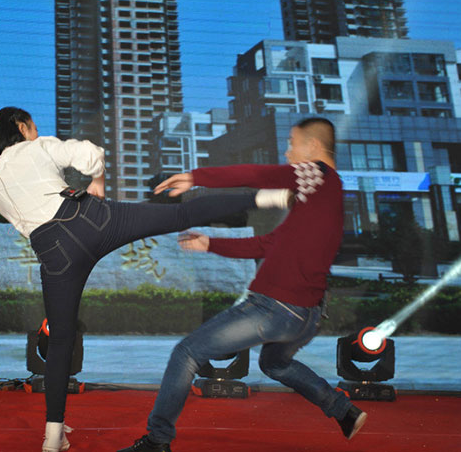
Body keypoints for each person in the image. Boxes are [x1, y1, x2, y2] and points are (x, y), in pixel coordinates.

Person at [0, 106, 292, 452]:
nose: (37, 131)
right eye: (33, 126)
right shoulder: (38, 147)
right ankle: (270, 196)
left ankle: (53, 436)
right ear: (21, 126)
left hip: (55, 253)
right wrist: (97, 183)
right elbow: (93, 154)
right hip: (90, 219)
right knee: (182, 215)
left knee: (60, 340)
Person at [118, 117, 367, 452]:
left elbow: (258, 175)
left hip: (275, 308)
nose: (287, 152)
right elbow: (266, 244)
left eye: (292, 144)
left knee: (186, 352)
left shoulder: (319, 174)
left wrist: (196, 177)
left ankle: (157, 441)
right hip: (305, 316)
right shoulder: (322, 198)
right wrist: (211, 244)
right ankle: (342, 410)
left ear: (312, 146)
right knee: (275, 364)